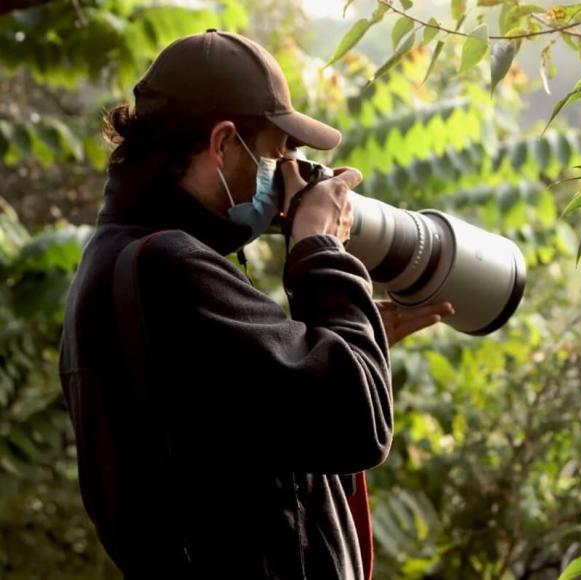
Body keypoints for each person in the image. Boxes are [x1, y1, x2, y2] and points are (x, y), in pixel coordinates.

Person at [59, 29, 454, 579]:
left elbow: (246, 427)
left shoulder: (119, 257)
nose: (289, 175)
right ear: (222, 144)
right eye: (278, 153)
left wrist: (346, 337)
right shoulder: (168, 266)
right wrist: (320, 247)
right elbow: (358, 425)